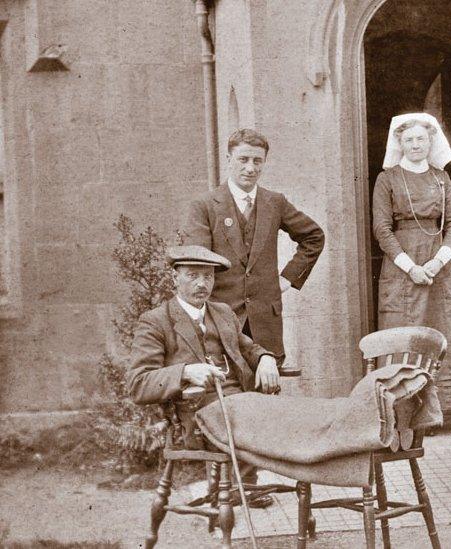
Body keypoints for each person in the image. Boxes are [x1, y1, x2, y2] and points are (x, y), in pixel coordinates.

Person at [126, 245, 280, 508]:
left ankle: (242, 486)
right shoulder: (156, 321)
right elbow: (138, 384)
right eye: (193, 275)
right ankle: (234, 488)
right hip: (193, 412)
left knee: (287, 415)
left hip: (240, 402)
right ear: (175, 277)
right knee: (246, 416)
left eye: (208, 277)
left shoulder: (222, 312)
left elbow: (247, 348)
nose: (202, 284)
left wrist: (266, 358)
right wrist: (185, 372)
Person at [183, 129, 325, 364]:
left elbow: (314, 236)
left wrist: (287, 279)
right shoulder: (205, 206)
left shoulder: (274, 202)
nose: (250, 168)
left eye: (257, 161)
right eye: (243, 159)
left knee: (267, 393)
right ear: (229, 160)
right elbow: (199, 263)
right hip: (221, 321)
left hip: (266, 326)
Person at [372, 113, 451, 413]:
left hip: (438, 265)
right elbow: (381, 229)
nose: (416, 145)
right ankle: (407, 412)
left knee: (440, 331)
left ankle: (439, 412)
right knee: (405, 334)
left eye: (421, 139)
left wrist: (437, 262)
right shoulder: (388, 179)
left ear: (430, 142)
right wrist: (411, 267)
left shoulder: (440, 178)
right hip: (401, 266)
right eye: (409, 140)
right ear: (400, 143)